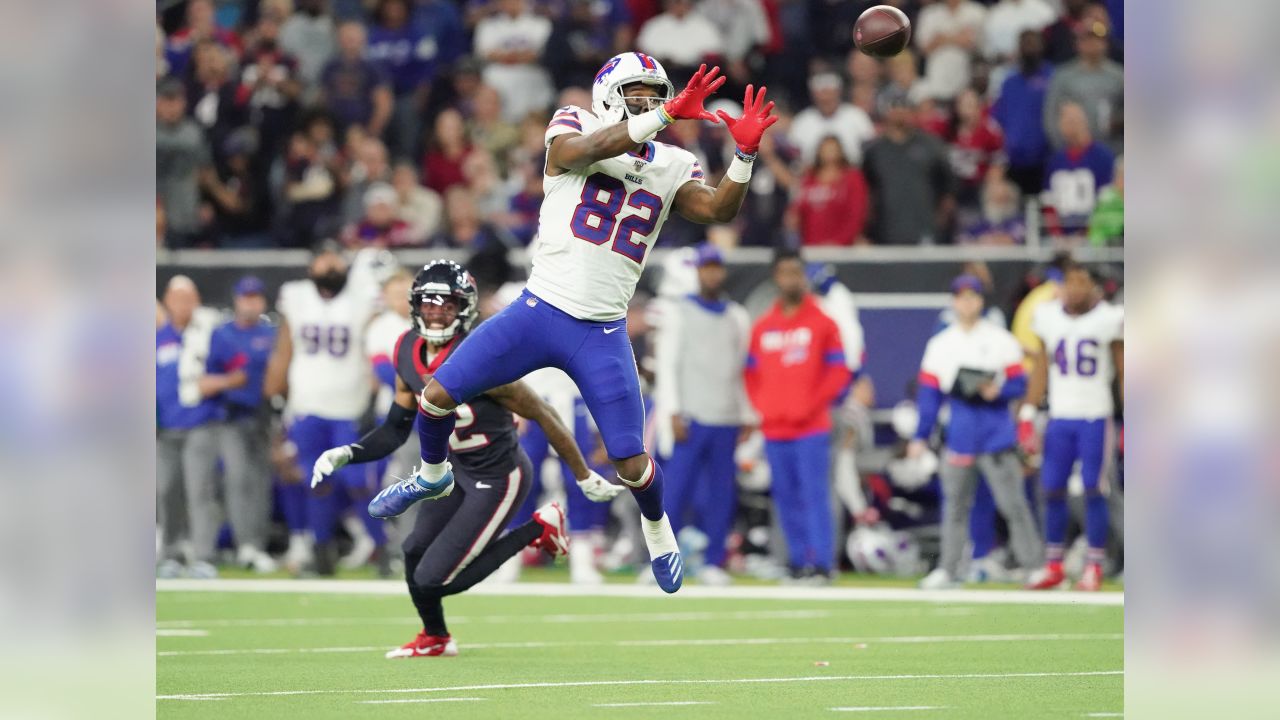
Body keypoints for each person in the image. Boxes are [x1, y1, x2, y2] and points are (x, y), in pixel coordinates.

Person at [366, 54, 777, 595]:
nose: (648, 102)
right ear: (609, 93)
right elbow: (583, 151)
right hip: (539, 310)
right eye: (636, 93)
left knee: (632, 463)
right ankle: (434, 474)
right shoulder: (575, 121)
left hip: (602, 330)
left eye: (656, 94)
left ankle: (658, 529)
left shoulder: (674, 162)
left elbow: (718, 210)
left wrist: (744, 155)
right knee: (437, 394)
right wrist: (663, 115)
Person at [311, 261, 621, 656]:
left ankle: (539, 528)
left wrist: (582, 473)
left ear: (465, 308)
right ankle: (435, 637)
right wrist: (348, 452)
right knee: (412, 553)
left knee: (437, 578)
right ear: (414, 306)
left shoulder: (483, 356)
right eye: (429, 303)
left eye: (446, 304)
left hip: (498, 475)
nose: (436, 312)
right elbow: (395, 426)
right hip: (452, 472)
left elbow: (543, 413)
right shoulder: (406, 348)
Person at [264, 244, 395, 574]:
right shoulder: (295, 296)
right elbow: (285, 345)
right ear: (311, 268)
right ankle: (322, 551)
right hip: (306, 403)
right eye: (323, 261)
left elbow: (377, 334)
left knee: (357, 480)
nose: (330, 267)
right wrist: (274, 391)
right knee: (316, 480)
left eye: (335, 260)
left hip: (350, 405)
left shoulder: (362, 296)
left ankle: (382, 548)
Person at [911, 275, 1044, 589]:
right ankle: (949, 567)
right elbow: (929, 395)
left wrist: (996, 390)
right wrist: (920, 435)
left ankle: (1034, 565)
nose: (967, 303)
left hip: (995, 434)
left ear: (981, 301)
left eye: (973, 297)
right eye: (961, 297)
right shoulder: (941, 344)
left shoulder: (1000, 339)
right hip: (960, 434)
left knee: (1013, 504)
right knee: (954, 506)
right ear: (954, 301)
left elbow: (1019, 383)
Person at [744, 249, 851, 582]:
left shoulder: (823, 322)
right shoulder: (763, 327)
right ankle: (795, 562)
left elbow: (839, 371)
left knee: (815, 495)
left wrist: (812, 403)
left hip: (812, 427)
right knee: (785, 498)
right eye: (785, 272)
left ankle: (821, 562)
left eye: (796, 272)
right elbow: (750, 373)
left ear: (804, 276)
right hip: (775, 429)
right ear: (776, 277)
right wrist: (764, 406)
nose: (791, 278)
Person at [655, 243, 754, 585]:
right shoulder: (679, 312)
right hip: (692, 416)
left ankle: (714, 561)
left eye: (716, 267)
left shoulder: (737, 316)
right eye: (705, 267)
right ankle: (661, 559)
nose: (711, 273)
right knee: (675, 492)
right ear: (697, 271)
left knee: (721, 493)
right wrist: (672, 411)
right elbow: (669, 364)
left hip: (725, 417)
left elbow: (740, 369)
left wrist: (746, 413)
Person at [1021, 263, 1123, 591]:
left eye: (1083, 282)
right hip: (1060, 416)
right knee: (1051, 487)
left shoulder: (1109, 318)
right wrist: (1027, 411)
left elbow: (1124, 369)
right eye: (1071, 282)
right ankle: (1054, 564)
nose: (1076, 289)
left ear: (1094, 287)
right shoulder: (1047, 316)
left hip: (1095, 415)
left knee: (1094, 487)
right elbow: (1041, 366)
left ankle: (1094, 564)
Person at [202, 276, 278, 573]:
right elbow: (208, 378)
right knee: (237, 481)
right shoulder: (222, 334)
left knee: (261, 483)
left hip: (264, 415)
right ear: (236, 300)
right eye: (245, 297)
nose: (250, 302)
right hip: (232, 416)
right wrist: (229, 382)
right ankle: (244, 543)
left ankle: (255, 545)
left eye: (255, 297)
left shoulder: (271, 333)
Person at [155, 276, 223, 578]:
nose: (182, 304)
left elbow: (237, 369)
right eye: (176, 298)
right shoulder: (156, 337)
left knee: (199, 491)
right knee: (166, 490)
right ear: (167, 302)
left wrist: (219, 383)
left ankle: (203, 555)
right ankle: (170, 553)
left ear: (196, 302)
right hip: (164, 429)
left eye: (188, 298)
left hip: (200, 424)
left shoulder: (210, 334)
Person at [862, 90, 955, 245]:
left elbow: (948, 190)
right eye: (894, 106)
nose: (900, 112)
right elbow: (867, 193)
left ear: (913, 111)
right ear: (885, 112)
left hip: (926, 229)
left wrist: (939, 223)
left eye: (905, 106)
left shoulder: (932, 145)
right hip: (885, 231)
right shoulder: (873, 150)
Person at [1043, 102, 1115, 237]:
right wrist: (1058, 236)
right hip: (1061, 241)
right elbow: (1049, 204)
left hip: (1095, 239)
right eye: (1064, 120)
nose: (1067, 125)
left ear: (1084, 121)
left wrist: (1086, 236)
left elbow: (1107, 203)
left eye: (1073, 120)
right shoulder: (1055, 161)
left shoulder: (1102, 157)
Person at [787, 135, 869, 246]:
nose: (829, 152)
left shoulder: (852, 178)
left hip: (841, 249)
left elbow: (856, 215)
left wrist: (840, 242)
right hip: (810, 246)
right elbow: (797, 207)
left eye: (833, 149)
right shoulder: (809, 178)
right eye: (825, 148)